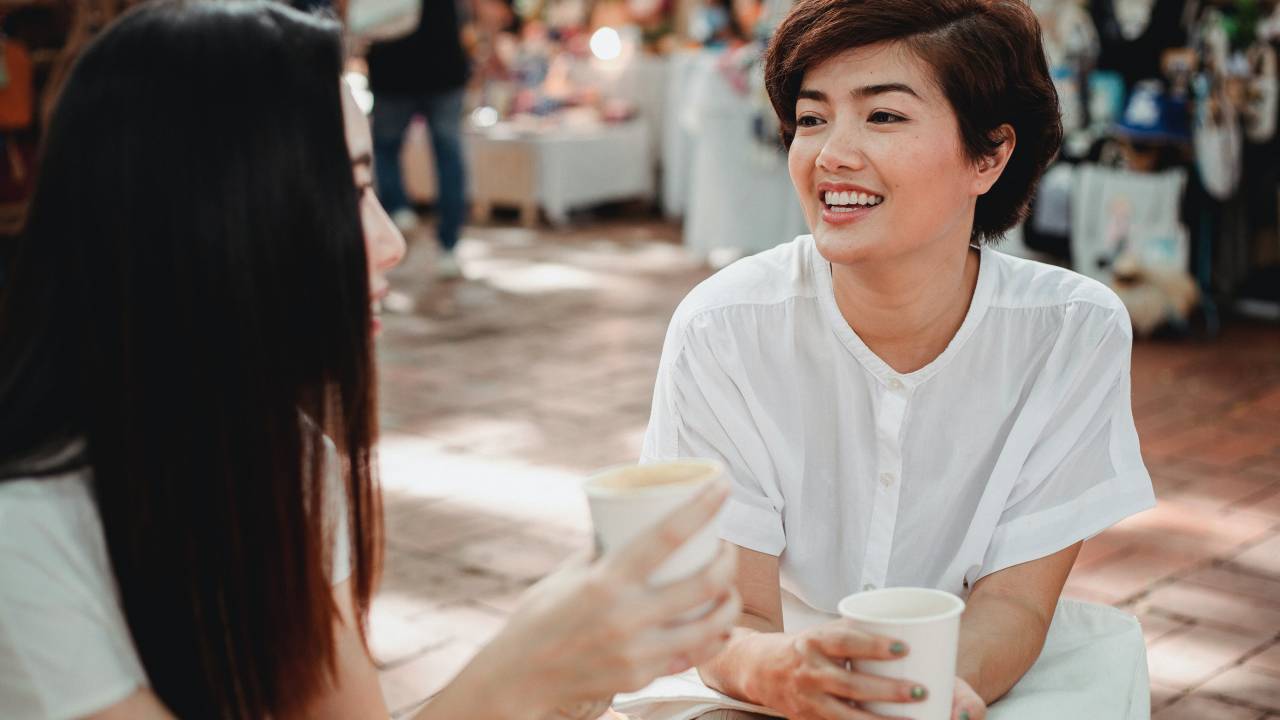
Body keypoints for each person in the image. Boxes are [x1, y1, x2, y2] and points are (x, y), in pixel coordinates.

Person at [0, 3, 740, 719]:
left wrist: (560, 681)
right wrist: (519, 669)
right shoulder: (25, 540)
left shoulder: (285, 453)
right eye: (349, 189)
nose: (390, 241)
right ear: (214, 216)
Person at [640, 0, 1156, 718]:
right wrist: (795, 678)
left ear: (990, 155)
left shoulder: (1072, 331)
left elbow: (1012, 600)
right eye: (813, 118)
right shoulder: (724, 328)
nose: (831, 154)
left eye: (882, 116)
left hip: (979, 660)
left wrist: (932, 696)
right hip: (774, 659)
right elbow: (735, 618)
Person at [365, 0, 469, 280]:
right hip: (441, 62)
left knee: (387, 149)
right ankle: (448, 246)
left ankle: (398, 208)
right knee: (448, 154)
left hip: (394, 66)